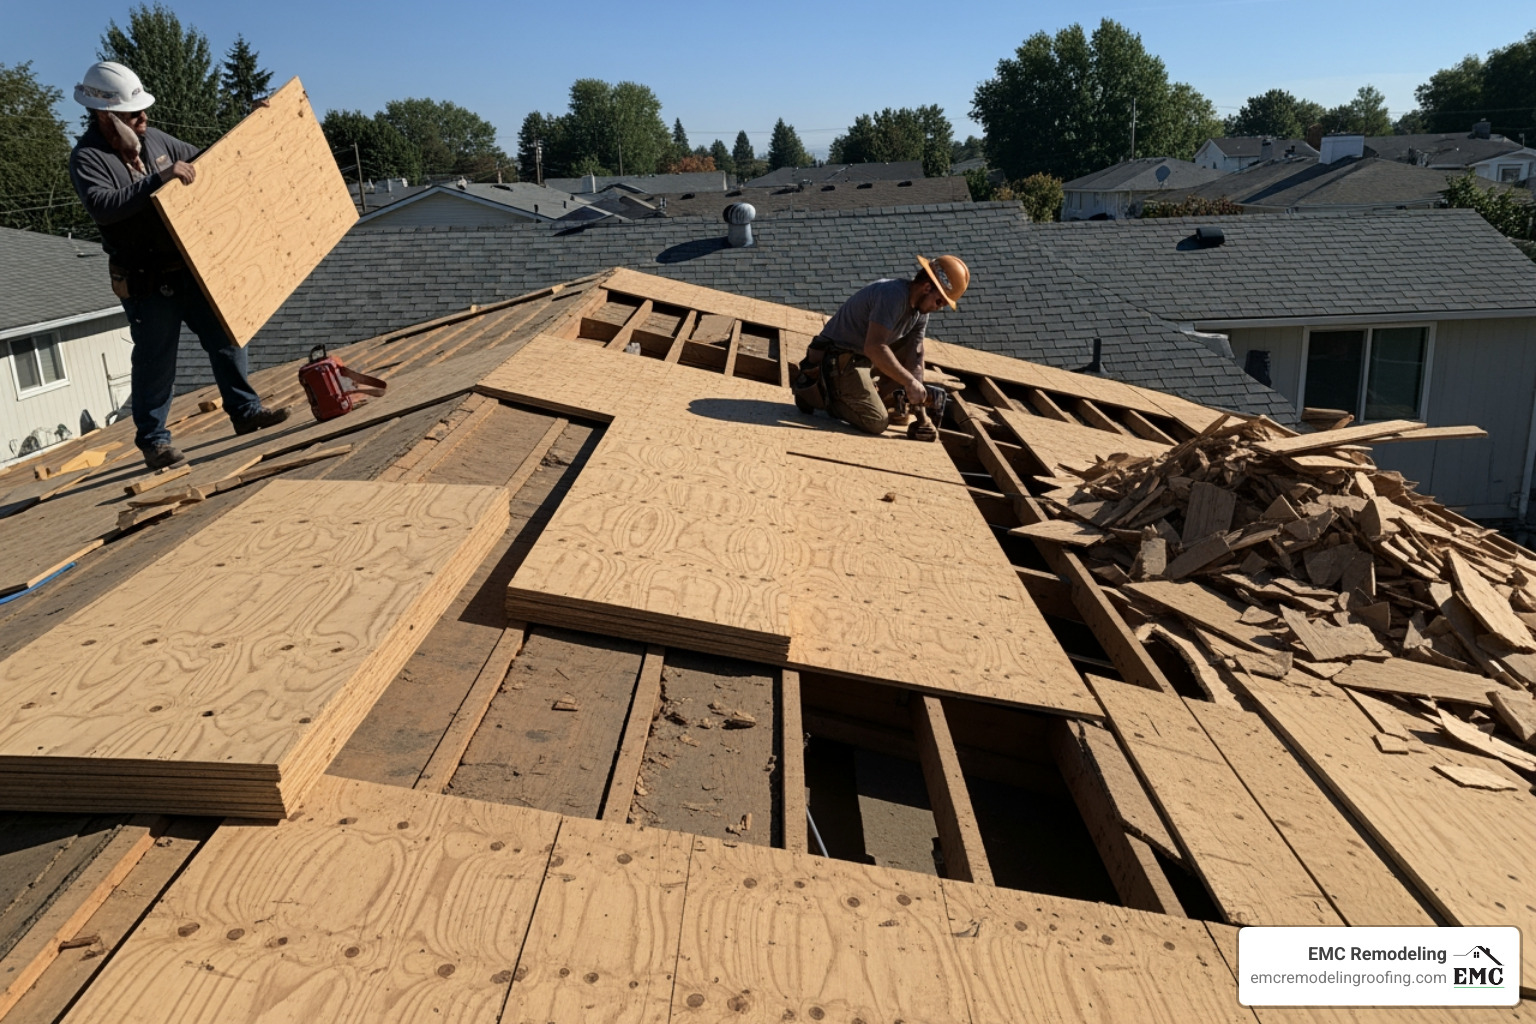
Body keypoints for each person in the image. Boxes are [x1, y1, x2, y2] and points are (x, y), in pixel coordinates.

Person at [68, 61, 289, 470]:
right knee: (155, 360)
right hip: (146, 279)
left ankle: (245, 412)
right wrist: (159, 179)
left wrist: (252, 124)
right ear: (104, 116)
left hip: (188, 265)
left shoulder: (153, 140)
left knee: (226, 338)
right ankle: (154, 442)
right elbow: (103, 207)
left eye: (141, 110)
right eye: (132, 114)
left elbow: (209, 159)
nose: (143, 118)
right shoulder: (88, 158)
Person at [791, 255, 969, 441]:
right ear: (926, 287)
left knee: (901, 405)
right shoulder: (892, 296)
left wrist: (921, 414)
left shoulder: (920, 312)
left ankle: (862, 393)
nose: (938, 308)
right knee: (877, 421)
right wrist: (909, 383)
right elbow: (874, 347)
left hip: (860, 357)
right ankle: (813, 393)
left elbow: (915, 357)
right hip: (835, 356)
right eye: (940, 302)